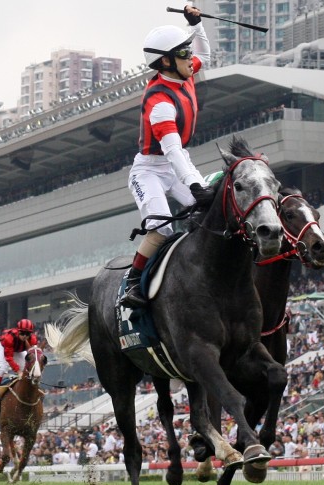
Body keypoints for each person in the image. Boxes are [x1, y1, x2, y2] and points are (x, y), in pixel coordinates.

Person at [120, 4, 214, 308]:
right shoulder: (159, 101)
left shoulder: (183, 73)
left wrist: (195, 26)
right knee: (162, 228)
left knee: (209, 214)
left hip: (176, 164)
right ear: (165, 61)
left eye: (187, 51)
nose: (190, 57)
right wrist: (195, 185)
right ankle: (133, 283)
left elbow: (207, 56)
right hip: (149, 170)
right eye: (183, 52)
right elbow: (172, 149)